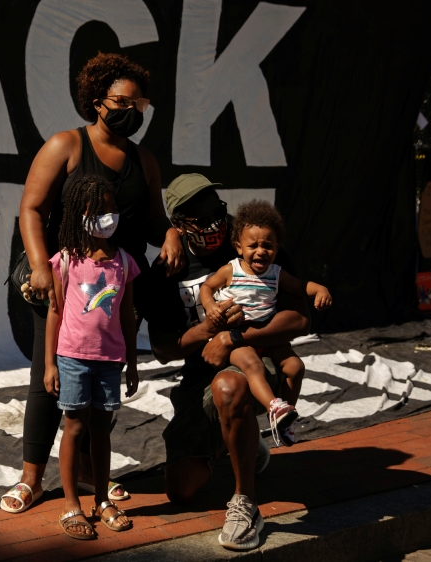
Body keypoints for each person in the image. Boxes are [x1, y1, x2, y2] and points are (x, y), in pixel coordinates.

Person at [1, 52, 184, 513]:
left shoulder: (144, 161)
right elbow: (31, 209)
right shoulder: (66, 145)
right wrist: (42, 266)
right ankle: (31, 478)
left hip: (112, 286)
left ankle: (85, 472)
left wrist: (171, 233)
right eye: (123, 102)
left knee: (100, 378)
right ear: (97, 101)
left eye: (139, 104)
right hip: (61, 280)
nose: (132, 112)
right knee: (53, 379)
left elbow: (153, 220)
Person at [145, 174, 311, 551]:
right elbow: (164, 349)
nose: (213, 226)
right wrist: (208, 328)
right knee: (182, 489)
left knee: (229, 385)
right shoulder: (169, 269)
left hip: (257, 362)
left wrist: (233, 337)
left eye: (217, 214)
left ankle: (245, 504)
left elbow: (301, 318)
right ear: (180, 226)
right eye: (200, 220)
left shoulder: (255, 242)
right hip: (199, 373)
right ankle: (242, 444)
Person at [44, 176, 139, 539]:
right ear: (78, 215)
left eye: (111, 209)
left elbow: (128, 316)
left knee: (102, 428)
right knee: (75, 426)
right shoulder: (66, 260)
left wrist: (131, 362)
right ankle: (71, 504)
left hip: (110, 360)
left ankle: (101, 499)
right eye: (97, 211)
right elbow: (54, 311)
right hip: (72, 358)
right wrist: (50, 363)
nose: (106, 217)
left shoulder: (125, 264)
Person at [199, 201, 332, 446]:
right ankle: (274, 406)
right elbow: (207, 287)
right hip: (239, 339)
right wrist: (210, 306)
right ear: (239, 247)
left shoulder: (277, 273)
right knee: (253, 367)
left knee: (295, 366)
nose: (261, 251)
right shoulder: (231, 270)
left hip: (265, 337)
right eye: (253, 245)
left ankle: (286, 419)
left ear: (277, 247)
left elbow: (301, 287)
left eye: (268, 246)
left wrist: (320, 289)